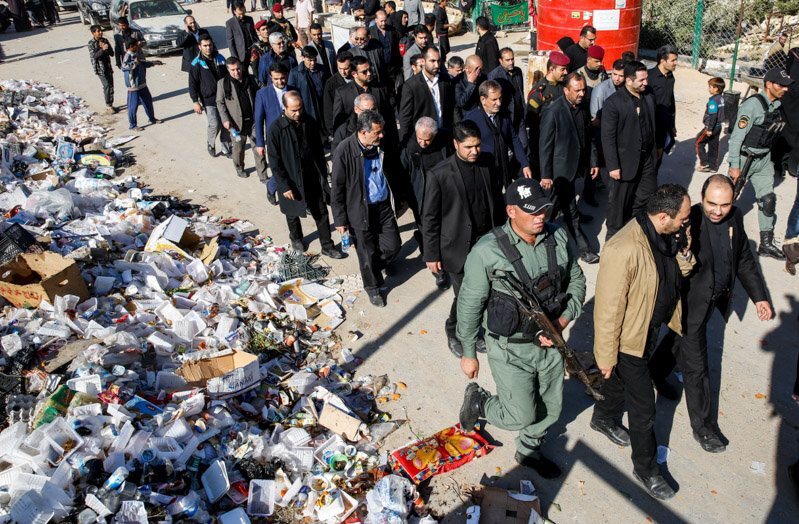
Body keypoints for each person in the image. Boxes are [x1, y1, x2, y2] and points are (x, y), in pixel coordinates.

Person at [457, 178, 586, 479]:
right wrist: (468, 351)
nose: (541, 216)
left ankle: (528, 449)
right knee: (519, 415)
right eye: (532, 211)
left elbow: (576, 280)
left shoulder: (558, 237)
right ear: (511, 211)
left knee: (551, 407)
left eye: (544, 209)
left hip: (551, 343)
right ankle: (480, 402)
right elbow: (469, 304)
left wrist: (562, 321)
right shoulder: (487, 252)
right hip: (509, 349)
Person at [649, 175, 772, 453]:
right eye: (711, 204)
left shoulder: (735, 218)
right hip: (689, 303)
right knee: (696, 367)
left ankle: (656, 371)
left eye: (724, 205)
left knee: (678, 339)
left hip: (713, 301)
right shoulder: (687, 221)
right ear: (701, 198)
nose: (717, 211)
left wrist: (759, 297)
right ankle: (703, 428)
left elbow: (743, 258)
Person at [591, 184, 694, 501]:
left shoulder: (664, 235)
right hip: (628, 341)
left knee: (618, 383)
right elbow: (608, 310)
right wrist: (605, 356)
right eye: (683, 218)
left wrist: (685, 253)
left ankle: (603, 417)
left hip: (649, 331)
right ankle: (646, 469)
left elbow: (674, 272)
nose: (686, 223)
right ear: (664, 216)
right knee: (644, 407)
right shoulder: (623, 248)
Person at [423, 120, 505, 356]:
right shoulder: (439, 174)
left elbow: (496, 200)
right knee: (466, 296)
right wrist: (431, 255)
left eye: (477, 145)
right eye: (468, 147)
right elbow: (430, 218)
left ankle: (475, 331)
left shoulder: (487, 162)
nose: (474, 151)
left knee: (486, 291)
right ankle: (454, 331)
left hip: (486, 243)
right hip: (456, 248)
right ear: (455, 144)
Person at [331, 111, 403, 307]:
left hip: (383, 206)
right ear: (363, 132)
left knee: (393, 245)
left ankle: (379, 265)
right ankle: (373, 288)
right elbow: (337, 188)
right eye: (377, 132)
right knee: (366, 253)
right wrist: (340, 219)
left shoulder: (382, 145)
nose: (381, 135)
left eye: (382, 131)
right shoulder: (344, 150)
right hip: (360, 210)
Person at [267, 91, 344, 259]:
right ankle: (296, 238)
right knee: (292, 212)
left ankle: (327, 245)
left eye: (300, 109)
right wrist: (284, 185)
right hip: (291, 178)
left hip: (312, 175)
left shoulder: (309, 121)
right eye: (293, 110)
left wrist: (323, 173)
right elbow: (274, 161)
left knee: (321, 211)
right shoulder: (275, 129)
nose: (298, 113)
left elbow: (318, 150)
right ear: (284, 108)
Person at [728, 68, 792, 259]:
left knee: (768, 200)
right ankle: (715, 232)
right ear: (768, 84)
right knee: (728, 197)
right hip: (744, 158)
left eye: (787, 86)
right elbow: (736, 138)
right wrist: (734, 165)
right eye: (781, 85)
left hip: (763, 159)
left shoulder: (777, 104)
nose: (785, 89)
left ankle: (766, 244)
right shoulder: (752, 106)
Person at [539, 72, 600, 264]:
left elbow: (589, 137)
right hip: (559, 173)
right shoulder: (553, 111)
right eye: (577, 90)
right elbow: (545, 146)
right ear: (566, 90)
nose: (582, 93)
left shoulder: (582, 107)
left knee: (559, 208)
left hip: (575, 169)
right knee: (564, 211)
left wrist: (593, 161)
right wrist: (546, 175)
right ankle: (583, 249)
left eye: (583, 90)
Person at [601, 61, 657, 239]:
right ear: (629, 80)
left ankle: (632, 225)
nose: (646, 83)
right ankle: (613, 239)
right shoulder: (614, 103)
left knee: (647, 195)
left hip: (646, 159)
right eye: (641, 80)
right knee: (618, 204)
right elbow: (608, 137)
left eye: (646, 79)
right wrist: (613, 166)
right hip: (624, 163)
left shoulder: (648, 95)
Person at [463, 80, 530, 185]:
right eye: (494, 99)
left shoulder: (504, 116)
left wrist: (524, 164)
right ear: (483, 99)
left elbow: (514, 139)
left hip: (503, 170)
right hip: (483, 173)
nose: (499, 103)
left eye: (500, 98)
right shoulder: (472, 120)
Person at [400, 116, 448, 257]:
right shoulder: (408, 148)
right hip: (420, 194)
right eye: (420, 138)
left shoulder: (444, 141)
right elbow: (402, 174)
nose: (423, 143)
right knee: (425, 226)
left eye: (427, 140)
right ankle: (428, 253)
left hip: (441, 191)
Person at [216, 57, 268, 180]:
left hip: (254, 122)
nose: (236, 72)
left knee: (259, 148)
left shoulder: (251, 79)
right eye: (233, 70)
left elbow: (263, 89)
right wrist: (225, 119)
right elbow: (220, 102)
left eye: (238, 68)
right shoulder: (222, 84)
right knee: (238, 150)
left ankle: (263, 176)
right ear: (228, 70)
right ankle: (239, 168)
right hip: (236, 124)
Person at [399, 46, 456, 145]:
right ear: (423, 61)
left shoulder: (445, 81)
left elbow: (452, 107)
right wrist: (405, 143)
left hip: (444, 137)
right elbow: (405, 118)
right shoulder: (411, 85)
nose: (437, 65)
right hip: (423, 141)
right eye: (432, 61)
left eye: (438, 61)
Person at [527, 51, 569, 178]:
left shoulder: (563, 87)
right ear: (551, 69)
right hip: (545, 145)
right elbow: (532, 123)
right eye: (562, 69)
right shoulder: (538, 93)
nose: (566, 72)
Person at [332, 56, 394, 139]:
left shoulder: (380, 88)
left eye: (370, 70)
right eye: (364, 72)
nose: (369, 73)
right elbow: (338, 123)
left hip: (380, 138)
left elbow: (389, 116)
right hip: (355, 139)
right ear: (354, 74)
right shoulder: (343, 93)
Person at [190, 35, 231, 159]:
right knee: (215, 124)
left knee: (226, 123)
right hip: (208, 99)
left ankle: (226, 147)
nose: (208, 48)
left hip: (224, 97)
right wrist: (195, 101)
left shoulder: (220, 58)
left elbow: (228, 76)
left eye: (210, 45)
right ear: (199, 46)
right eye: (205, 46)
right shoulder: (196, 63)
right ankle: (211, 143)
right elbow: (192, 84)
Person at [488, 47, 527, 150]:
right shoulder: (494, 76)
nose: (511, 62)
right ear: (500, 61)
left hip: (519, 117)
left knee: (524, 146)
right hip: (506, 118)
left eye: (512, 59)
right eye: (507, 60)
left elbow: (521, 93)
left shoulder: (518, 72)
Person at [121, 38, 162, 131]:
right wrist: (135, 63)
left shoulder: (136, 53)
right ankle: (133, 125)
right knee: (133, 106)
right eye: (136, 45)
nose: (138, 46)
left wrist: (153, 63)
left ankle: (152, 118)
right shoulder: (127, 56)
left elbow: (142, 63)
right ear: (131, 46)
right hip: (133, 86)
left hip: (142, 83)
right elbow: (124, 67)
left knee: (148, 102)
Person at [648, 45, 678, 164]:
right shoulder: (649, 77)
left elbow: (671, 101)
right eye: (672, 60)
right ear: (662, 60)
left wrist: (672, 124)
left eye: (676, 60)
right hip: (651, 125)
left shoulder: (671, 78)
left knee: (658, 160)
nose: (675, 63)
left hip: (664, 125)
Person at [289, 46, 330, 125]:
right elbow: (292, 94)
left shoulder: (323, 69)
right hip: (307, 109)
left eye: (314, 60)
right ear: (303, 58)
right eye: (310, 60)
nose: (313, 63)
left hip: (323, 106)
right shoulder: (295, 73)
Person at [695, 77, 726, 172]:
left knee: (699, 143)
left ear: (716, 88)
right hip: (718, 126)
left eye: (710, 87)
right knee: (713, 146)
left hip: (711, 127)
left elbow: (713, 116)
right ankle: (713, 166)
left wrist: (709, 129)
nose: (709, 89)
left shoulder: (713, 101)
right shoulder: (721, 98)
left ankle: (704, 164)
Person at [323, 52, 353, 139]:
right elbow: (328, 110)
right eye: (340, 68)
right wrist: (332, 132)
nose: (343, 72)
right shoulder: (331, 84)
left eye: (346, 68)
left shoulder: (359, 77)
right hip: (342, 128)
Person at [370, 10, 402, 91]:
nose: (383, 23)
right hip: (378, 67)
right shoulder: (371, 32)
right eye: (381, 21)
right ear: (376, 20)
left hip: (391, 67)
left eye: (385, 20)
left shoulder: (392, 30)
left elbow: (396, 45)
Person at [88, 25, 115, 114]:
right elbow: (94, 56)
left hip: (108, 66)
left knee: (111, 86)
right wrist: (102, 49)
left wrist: (107, 48)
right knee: (107, 85)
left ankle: (110, 104)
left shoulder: (105, 40)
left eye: (101, 31)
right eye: (98, 31)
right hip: (100, 68)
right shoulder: (91, 43)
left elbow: (112, 53)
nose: (100, 32)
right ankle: (108, 106)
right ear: (93, 33)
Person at [226, 3, 258, 69]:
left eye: (243, 13)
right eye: (240, 14)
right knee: (244, 72)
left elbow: (254, 34)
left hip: (252, 52)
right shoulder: (230, 23)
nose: (242, 16)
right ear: (234, 12)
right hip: (241, 55)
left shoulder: (249, 19)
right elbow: (230, 42)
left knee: (256, 71)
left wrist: (258, 45)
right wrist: (235, 57)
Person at [455, 55, 484, 122]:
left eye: (480, 69)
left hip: (481, 115)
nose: (479, 73)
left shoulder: (483, 77)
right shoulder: (458, 81)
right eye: (476, 69)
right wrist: (471, 84)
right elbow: (461, 102)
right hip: (466, 118)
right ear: (467, 69)